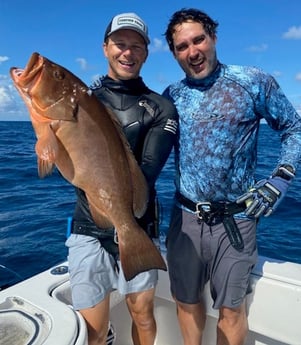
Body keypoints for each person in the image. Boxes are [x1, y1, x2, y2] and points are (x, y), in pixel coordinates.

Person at [162, 8, 301, 345]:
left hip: (237, 220)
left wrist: (279, 179)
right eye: (182, 46)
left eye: (199, 40)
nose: (193, 51)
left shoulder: (252, 81)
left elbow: (293, 128)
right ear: (174, 53)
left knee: (231, 311)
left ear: (213, 38)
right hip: (184, 218)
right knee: (186, 301)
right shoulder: (171, 97)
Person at [65, 12, 178, 345]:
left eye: (136, 46)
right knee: (94, 330)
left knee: (143, 315)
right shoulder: (81, 100)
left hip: (138, 225)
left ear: (145, 53)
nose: (127, 53)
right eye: (120, 44)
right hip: (87, 228)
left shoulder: (161, 108)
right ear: (105, 48)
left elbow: (146, 174)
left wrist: (124, 223)